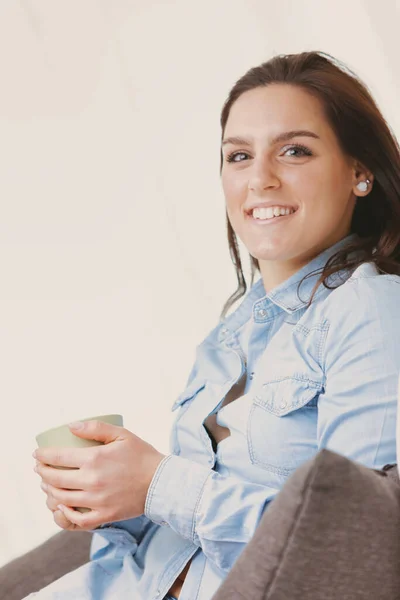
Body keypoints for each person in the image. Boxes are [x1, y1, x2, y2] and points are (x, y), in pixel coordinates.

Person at [26, 50, 400, 600]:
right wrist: (114, 500)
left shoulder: (371, 309)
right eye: (239, 155)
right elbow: (197, 528)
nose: (260, 179)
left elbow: (355, 546)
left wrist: (157, 485)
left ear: (359, 172)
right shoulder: (235, 329)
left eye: (294, 151)